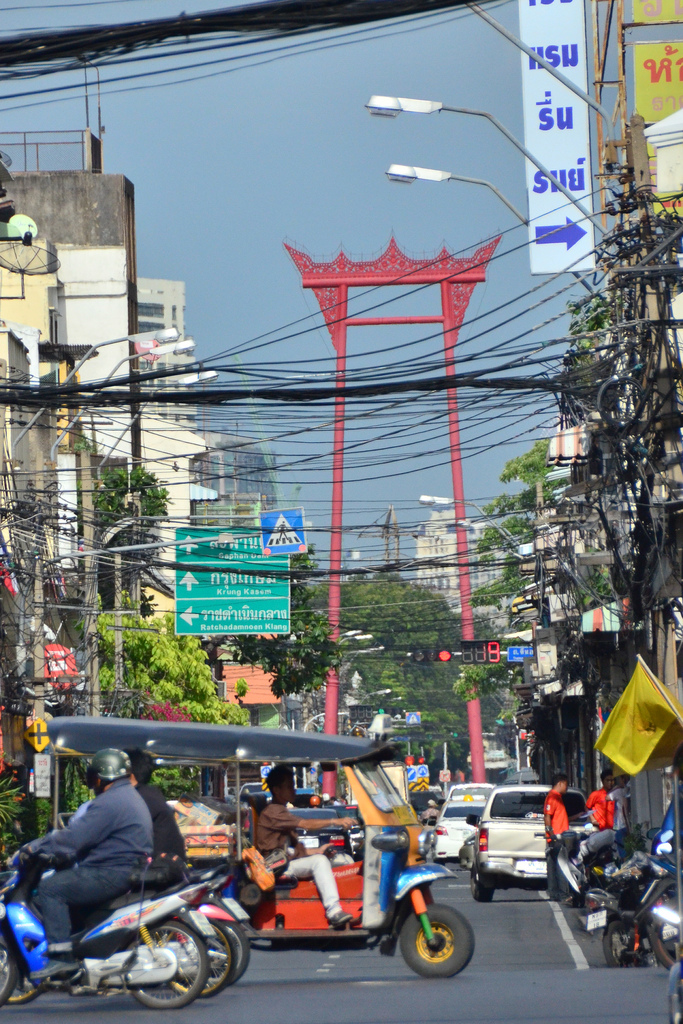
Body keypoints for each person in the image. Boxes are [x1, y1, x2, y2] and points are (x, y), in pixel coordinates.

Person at [29, 748, 153, 980]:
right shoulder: (127, 796)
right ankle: (79, 951)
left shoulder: (110, 802)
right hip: (123, 869)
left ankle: (60, 957)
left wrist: (38, 847)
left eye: (93, 776)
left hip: (110, 873)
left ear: (102, 776)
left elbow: (75, 837)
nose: (92, 782)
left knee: (50, 889)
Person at [256, 764, 355, 928]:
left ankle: (350, 904)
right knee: (319, 862)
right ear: (276, 790)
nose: (293, 790)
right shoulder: (273, 812)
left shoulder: (281, 811)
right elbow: (306, 824)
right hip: (275, 867)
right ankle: (334, 911)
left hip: (284, 862)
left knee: (344, 861)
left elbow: (293, 851)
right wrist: (334, 821)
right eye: (289, 787)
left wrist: (319, 850)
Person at [126, 748, 186, 860]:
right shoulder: (150, 793)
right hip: (164, 867)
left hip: (158, 871)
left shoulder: (136, 798)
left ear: (129, 773)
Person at [577, 768, 616, 863]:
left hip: (614, 831)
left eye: (612, 780)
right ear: (602, 781)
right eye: (608, 780)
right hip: (599, 831)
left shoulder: (616, 794)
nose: (610, 783)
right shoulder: (596, 794)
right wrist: (593, 819)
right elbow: (587, 808)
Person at [544, 772, 570, 902]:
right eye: (566, 784)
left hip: (559, 836)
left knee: (555, 866)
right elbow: (547, 817)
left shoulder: (557, 797)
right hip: (557, 838)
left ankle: (555, 893)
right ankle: (561, 893)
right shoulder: (552, 797)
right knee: (560, 866)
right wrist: (551, 834)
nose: (567, 787)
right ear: (560, 783)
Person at [608, 774, 630, 859]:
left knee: (622, 850)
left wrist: (616, 787)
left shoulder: (619, 791)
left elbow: (606, 797)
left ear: (622, 779)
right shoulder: (627, 789)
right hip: (627, 823)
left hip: (620, 824)